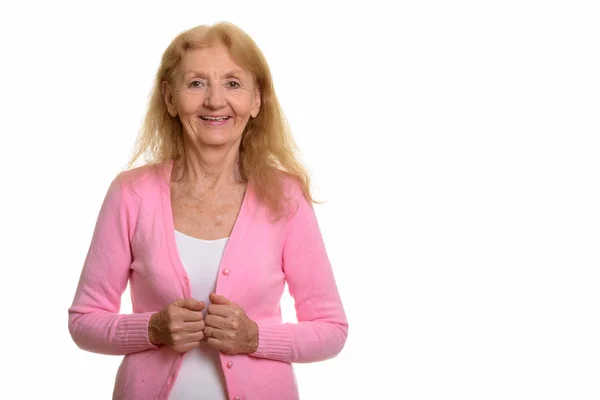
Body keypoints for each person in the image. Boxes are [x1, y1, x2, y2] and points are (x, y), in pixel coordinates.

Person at [67, 21, 348, 400]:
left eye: (233, 83)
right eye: (196, 83)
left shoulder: (287, 197)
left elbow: (331, 330)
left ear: (256, 100)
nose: (215, 101)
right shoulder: (131, 193)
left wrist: (255, 337)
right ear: (170, 98)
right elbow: (83, 321)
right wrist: (151, 329)